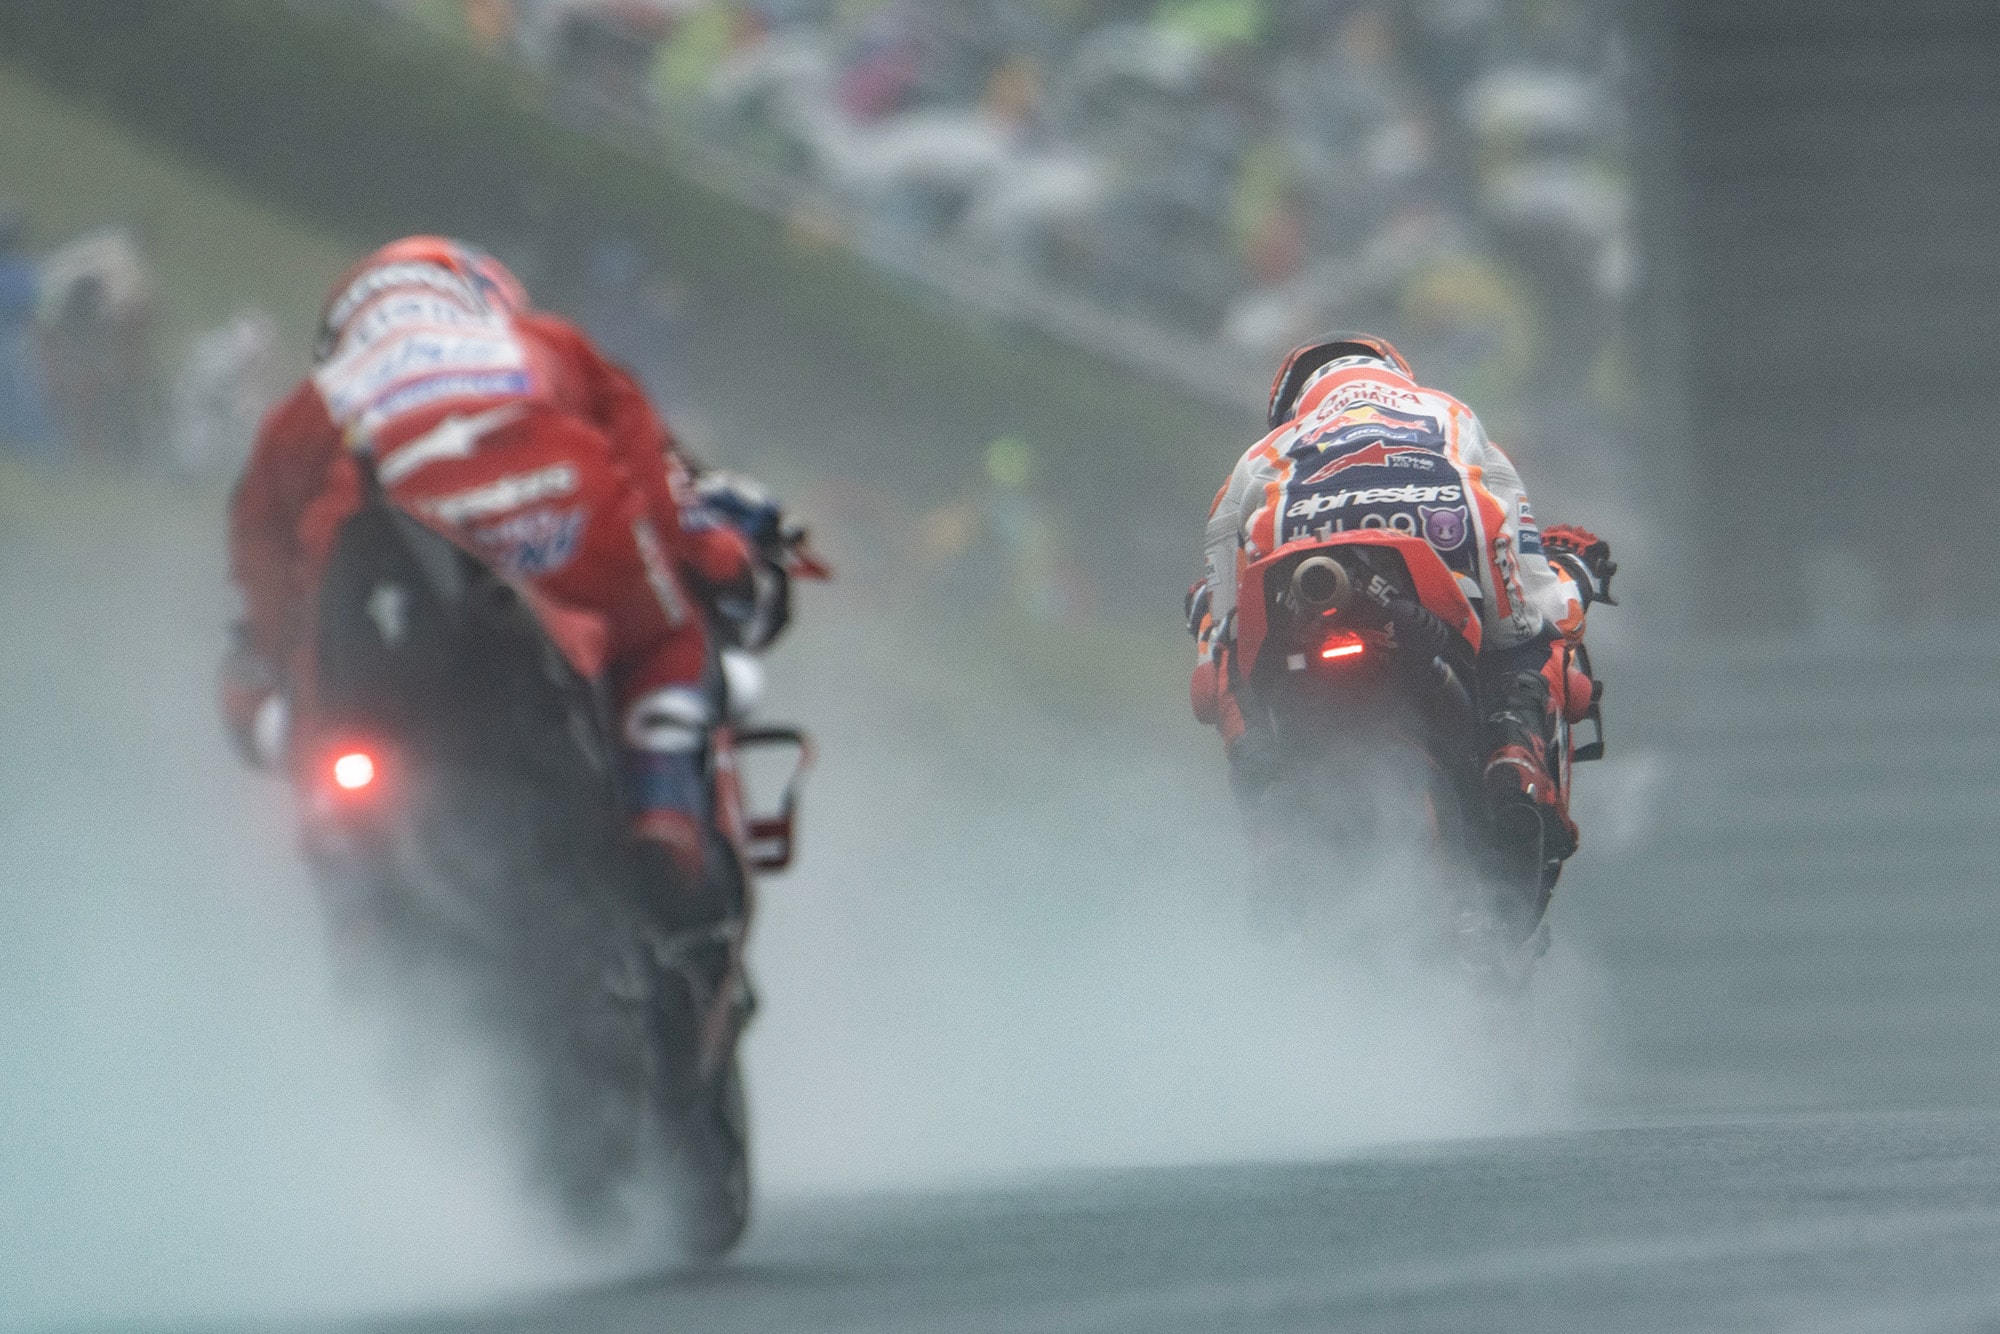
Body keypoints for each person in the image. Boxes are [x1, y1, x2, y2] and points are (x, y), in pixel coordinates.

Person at [222, 235, 756, 912]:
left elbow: (261, 545)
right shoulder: (550, 347)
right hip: (564, 519)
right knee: (665, 634)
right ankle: (663, 810)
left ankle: (357, 895)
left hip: (391, 581)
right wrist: (719, 559)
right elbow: (657, 479)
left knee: (322, 735)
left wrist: (265, 654)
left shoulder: (316, 401)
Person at [1189, 331, 1612, 858]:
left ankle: (1267, 799)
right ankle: (1513, 756)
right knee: (1529, 638)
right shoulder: (1451, 415)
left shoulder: (1262, 453)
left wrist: (1211, 616)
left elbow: (1223, 600)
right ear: (1396, 376)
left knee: (1227, 660)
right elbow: (1546, 596)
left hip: (1299, 558)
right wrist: (1574, 569)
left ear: (1291, 404)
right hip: (1440, 527)